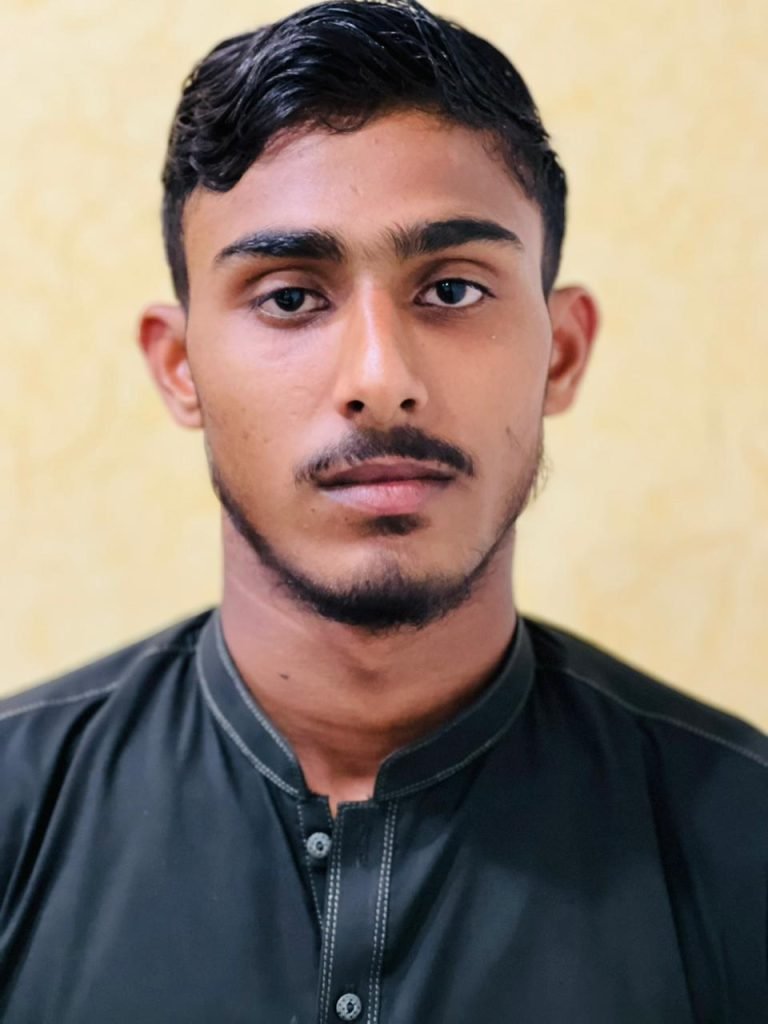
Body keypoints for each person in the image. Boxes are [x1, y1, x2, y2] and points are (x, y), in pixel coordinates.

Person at [1, 1, 766, 1020]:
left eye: (451, 290)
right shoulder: (15, 810)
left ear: (562, 353)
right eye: (289, 296)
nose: (379, 379)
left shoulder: (744, 835)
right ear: (181, 367)